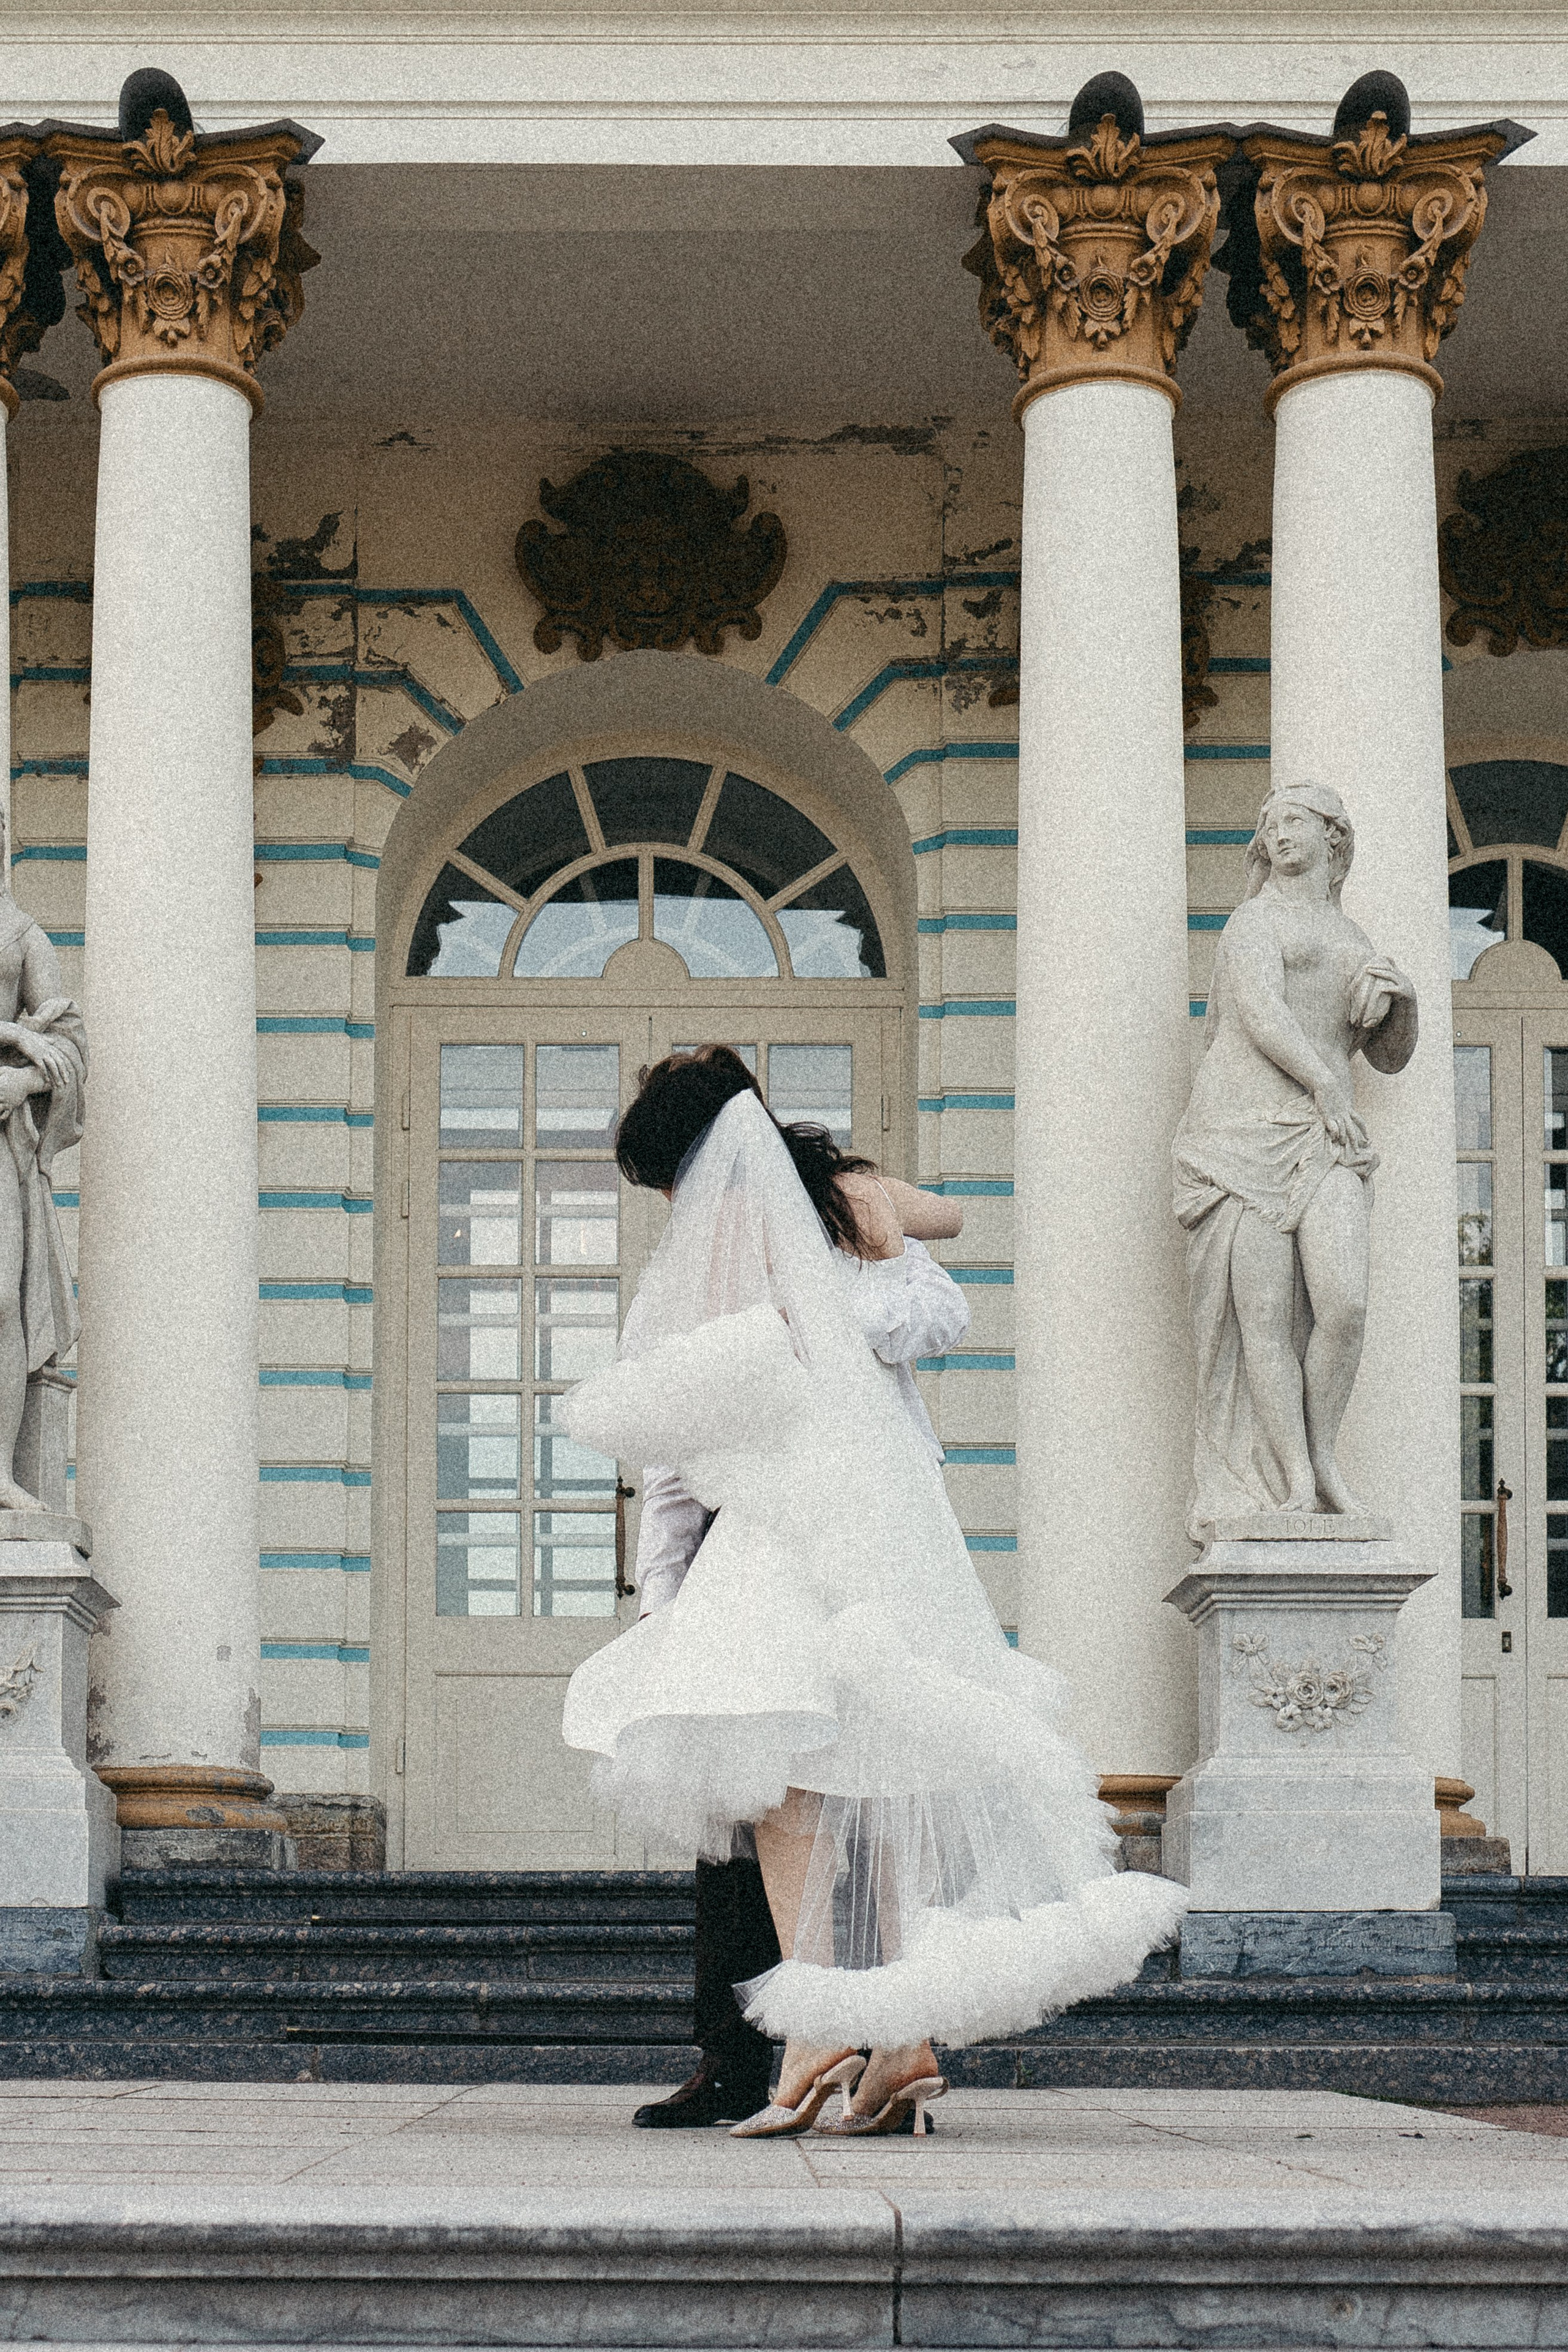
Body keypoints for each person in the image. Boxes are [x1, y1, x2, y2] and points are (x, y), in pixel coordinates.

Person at [563, 1046, 1185, 2137]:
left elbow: (686, 1460)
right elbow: (928, 1250)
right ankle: (894, 2042)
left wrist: (877, 1224)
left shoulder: (780, 1246)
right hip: (864, 1527)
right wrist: (874, 1213)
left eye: (670, 1179)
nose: (680, 1204)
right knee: (850, 1772)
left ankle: (826, 2031)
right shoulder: (820, 1223)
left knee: (781, 1776)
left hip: (805, 1538)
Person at [622, 1055, 972, 2128]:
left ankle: (848, 2034)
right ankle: (857, 2042)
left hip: (859, 1530)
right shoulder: (705, 1263)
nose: (674, 1207)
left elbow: (937, 1311)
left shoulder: (849, 1211)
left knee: (830, 1781)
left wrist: (816, 1314)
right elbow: (673, 1455)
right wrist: (663, 1594)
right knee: (781, 1783)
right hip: (765, 1530)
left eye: (670, 1180)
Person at [1172, 783, 1417, 1536]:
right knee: (1263, 1321)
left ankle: (1324, 1454)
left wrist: (1402, 1002)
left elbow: (1388, 1056)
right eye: (1269, 824)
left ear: (1333, 838)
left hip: (1324, 1135)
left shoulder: (1353, 936)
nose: (1277, 834)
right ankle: (1297, 1482)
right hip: (1242, 1132)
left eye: (1293, 822)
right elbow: (1259, 1010)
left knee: (1344, 1303)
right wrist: (1320, 1084)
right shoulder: (1254, 920)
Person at [0, 863, 85, 1511]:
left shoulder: (23, 933)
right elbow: (39, 1034)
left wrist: (25, 1082)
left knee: (4, 1300)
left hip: (3, 1140)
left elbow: (69, 1041)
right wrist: (16, 1033)